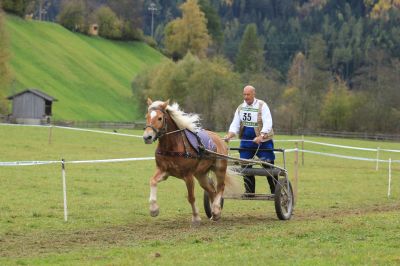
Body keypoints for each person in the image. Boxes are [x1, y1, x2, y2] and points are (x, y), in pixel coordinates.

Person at [224, 85, 276, 194]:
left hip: (263, 143)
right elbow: (235, 124)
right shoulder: (240, 108)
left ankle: (275, 190)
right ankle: (249, 191)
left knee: (268, 166)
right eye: (244, 94)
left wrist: (261, 136)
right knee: (245, 166)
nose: (246, 97)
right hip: (246, 143)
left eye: (248, 94)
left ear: (253, 94)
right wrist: (229, 135)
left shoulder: (262, 105)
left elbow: (268, 122)